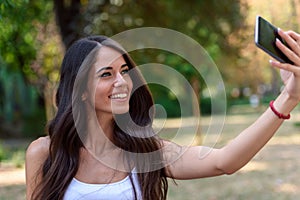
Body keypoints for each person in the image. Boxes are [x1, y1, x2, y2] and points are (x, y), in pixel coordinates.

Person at [25, 29, 300, 200]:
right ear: (80, 89)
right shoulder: (45, 153)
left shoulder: (146, 152)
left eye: (124, 71)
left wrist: (288, 98)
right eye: (106, 74)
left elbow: (224, 162)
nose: (122, 82)